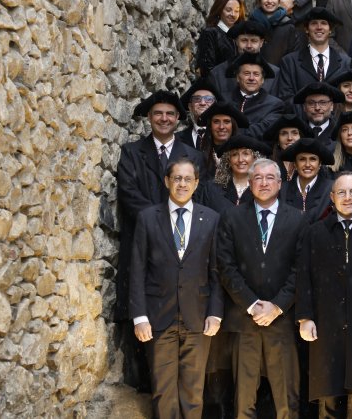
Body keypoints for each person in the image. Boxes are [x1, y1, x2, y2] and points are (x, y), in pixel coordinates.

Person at [130, 158, 223, 419]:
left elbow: (217, 271)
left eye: (188, 179)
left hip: (198, 316)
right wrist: (139, 316)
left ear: (196, 183)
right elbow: (137, 269)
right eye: (177, 178)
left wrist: (215, 313)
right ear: (167, 181)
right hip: (158, 316)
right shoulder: (148, 218)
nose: (182, 184)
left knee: (193, 391)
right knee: (163, 389)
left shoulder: (211, 219)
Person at [216, 158, 307, 418]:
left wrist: (277, 306)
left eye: (270, 178)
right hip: (244, 319)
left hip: (282, 320)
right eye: (258, 177)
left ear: (280, 183)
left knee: (287, 399)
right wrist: (252, 304)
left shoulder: (298, 219)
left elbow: (301, 268)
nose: (264, 183)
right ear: (249, 182)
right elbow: (226, 266)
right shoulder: (232, 217)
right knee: (243, 399)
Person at [296, 173, 352, 417]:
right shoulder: (315, 233)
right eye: (341, 192)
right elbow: (304, 276)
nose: (348, 197)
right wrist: (305, 317)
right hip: (326, 324)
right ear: (332, 197)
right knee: (327, 391)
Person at [276, 7, 352, 100]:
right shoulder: (290, 62)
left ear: (330, 30)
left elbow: (347, 99)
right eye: (314, 23)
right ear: (306, 29)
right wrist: (310, 107)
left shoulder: (346, 63)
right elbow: (285, 97)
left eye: (324, 23)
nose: (319, 27)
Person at [211, 20, 280, 98]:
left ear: (261, 43)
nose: (249, 45)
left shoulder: (274, 73)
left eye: (254, 41)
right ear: (236, 42)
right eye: (244, 40)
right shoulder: (218, 72)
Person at [228, 53, 286, 139]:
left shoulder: (275, 105)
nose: (251, 78)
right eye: (247, 73)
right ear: (237, 77)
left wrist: (231, 130)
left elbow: (264, 130)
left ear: (262, 80)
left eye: (256, 74)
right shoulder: (225, 100)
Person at [206, 135, 268, 212]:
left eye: (245, 154)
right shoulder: (211, 189)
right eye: (234, 154)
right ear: (228, 160)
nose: (240, 160)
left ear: (255, 158)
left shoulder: (263, 188)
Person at [279, 138, 336, 219]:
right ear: (295, 164)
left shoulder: (331, 189)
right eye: (302, 159)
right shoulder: (282, 190)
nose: (307, 164)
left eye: (313, 159)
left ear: (320, 164)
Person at [195, 0, 243, 77]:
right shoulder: (210, 33)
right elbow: (207, 70)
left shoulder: (239, 35)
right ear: (220, 10)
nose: (233, 14)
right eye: (228, 10)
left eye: (237, 11)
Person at [251, 0, 301, 66]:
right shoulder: (251, 25)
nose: (269, 1)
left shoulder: (289, 27)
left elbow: (292, 58)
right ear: (259, 1)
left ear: (279, 2)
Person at [197, 101, 248, 172]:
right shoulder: (198, 153)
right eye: (216, 122)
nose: (221, 127)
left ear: (233, 126)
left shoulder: (245, 156)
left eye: (226, 122)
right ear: (210, 126)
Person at [177, 79, 219, 150]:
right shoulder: (176, 139)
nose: (202, 103)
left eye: (208, 99)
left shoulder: (225, 137)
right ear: (190, 107)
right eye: (197, 99)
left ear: (215, 106)